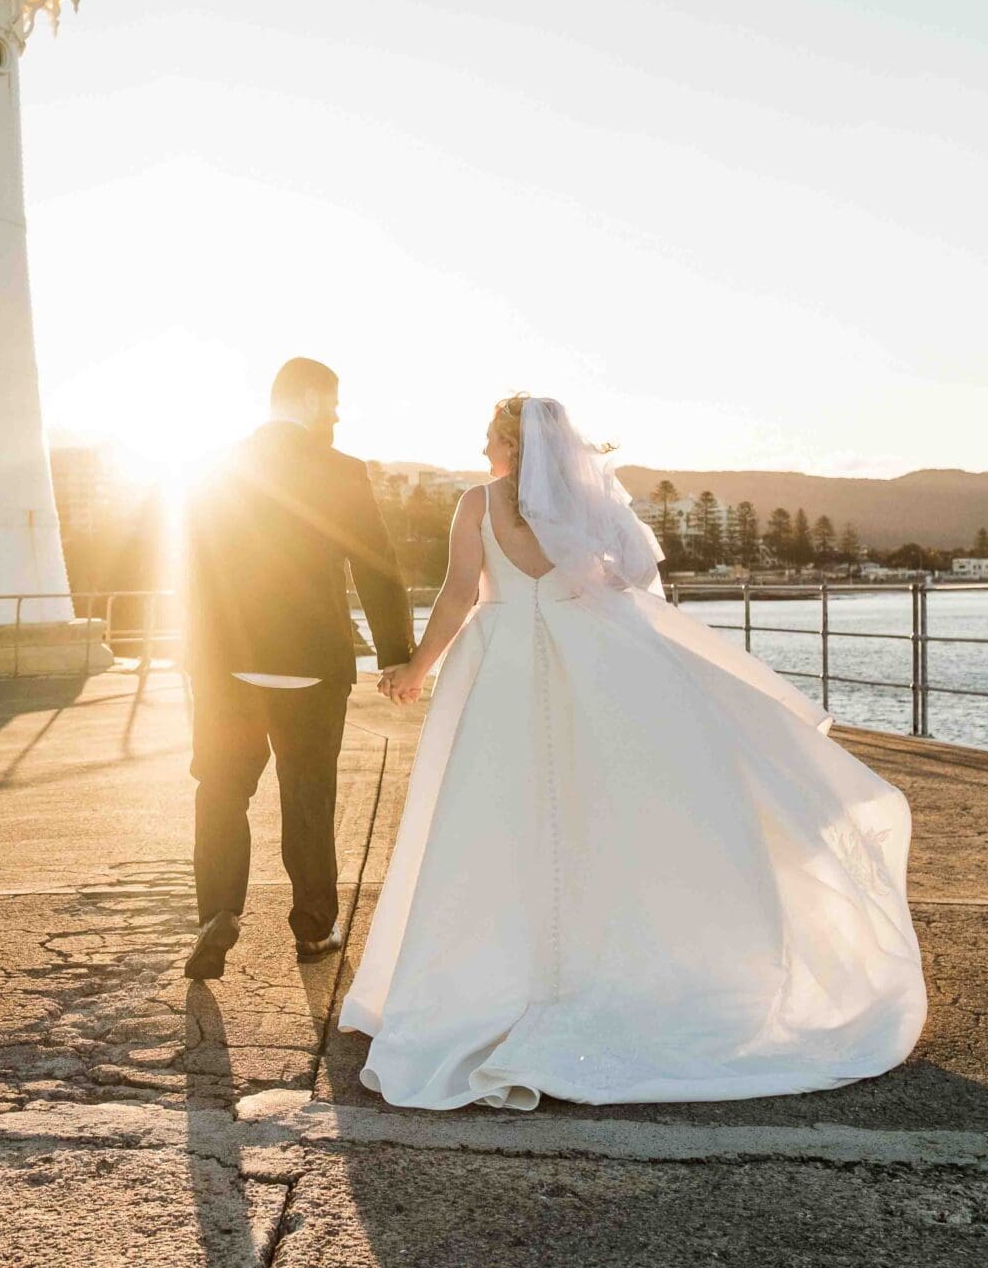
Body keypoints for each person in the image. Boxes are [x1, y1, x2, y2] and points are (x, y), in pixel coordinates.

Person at [341, 395, 926, 1108]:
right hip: (584, 671)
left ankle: (485, 984)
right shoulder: (585, 511)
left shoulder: (476, 504)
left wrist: (417, 670)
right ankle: (589, 978)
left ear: (506, 442)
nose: (480, 445)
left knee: (492, 825)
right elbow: (625, 587)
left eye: (488, 435)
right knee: (593, 820)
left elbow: (461, 592)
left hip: (500, 678)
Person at [182, 357, 414, 980]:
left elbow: (193, 568)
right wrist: (397, 653)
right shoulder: (340, 472)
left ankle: (218, 912)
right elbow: (376, 566)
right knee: (309, 795)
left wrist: (200, 657)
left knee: (222, 789)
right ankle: (314, 931)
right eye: (333, 404)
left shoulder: (218, 465)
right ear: (310, 399)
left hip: (229, 666)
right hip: (312, 667)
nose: (337, 416)